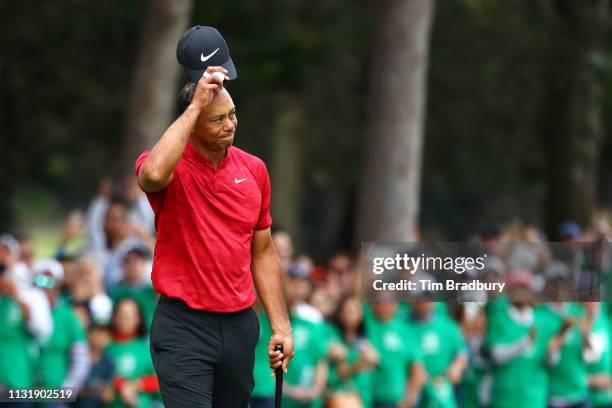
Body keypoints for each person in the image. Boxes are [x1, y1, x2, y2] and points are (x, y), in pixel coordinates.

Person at [135, 26, 293, 407]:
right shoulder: (166, 164)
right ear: (192, 125)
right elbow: (153, 175)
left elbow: (263, 251)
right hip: (183, 326)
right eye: (217, 119)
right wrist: (194, 106)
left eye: (233, 115)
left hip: (240, 325)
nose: (230, 125)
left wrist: (281, 325)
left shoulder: (254, 169)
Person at [408, 300, 467, 408]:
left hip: (441, 384)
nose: (424, 303)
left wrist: (457, 366)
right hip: (413, 388)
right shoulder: (405, 325)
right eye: (420, 300)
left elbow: (461, 352)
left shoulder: (448, 326)